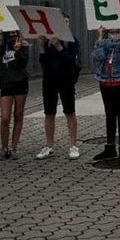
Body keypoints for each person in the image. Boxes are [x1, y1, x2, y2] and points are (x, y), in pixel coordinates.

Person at [35, 15, 82, 160]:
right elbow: (43, 63)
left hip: (66, 80)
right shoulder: (49, 41)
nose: (64, 25)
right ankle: (49, 146)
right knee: (49, 113)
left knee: (70, 111)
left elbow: (71, 62)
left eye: (67, 22)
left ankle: (73, 145)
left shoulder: (72, 41)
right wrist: (42, 46)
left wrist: (59, 47)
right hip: (49, 80)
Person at [92, 25, 120, 162]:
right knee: (109, 115)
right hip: (105, 81)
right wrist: (100, 38)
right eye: (112, 32)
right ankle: (110, 147)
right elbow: (97, 57)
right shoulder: (104, 43)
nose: (114, 35)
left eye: (118, 32)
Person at [0, 29, 29, 159]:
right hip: (6, 84)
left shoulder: (23, 44)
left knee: (18, 115)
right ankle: (3, 147)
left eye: (15, 33)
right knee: (5, 117)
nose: (13, 36)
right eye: (10, 33)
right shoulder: (2, 45)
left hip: (20, 83)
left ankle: (14, 147)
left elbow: (22, 64)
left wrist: (18, 51)